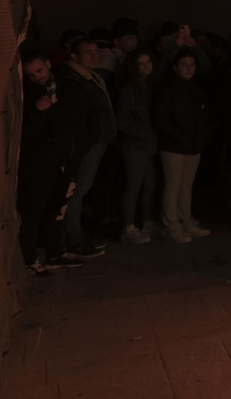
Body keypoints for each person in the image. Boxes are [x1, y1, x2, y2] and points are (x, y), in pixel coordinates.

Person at [17, 54, 84, 274]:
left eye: (39, 71)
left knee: (57, 209)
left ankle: (55, 252)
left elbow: (77, 120)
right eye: (31, 75)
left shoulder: (66, 86)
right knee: (33, 212)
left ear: (47, 64)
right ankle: (30, 260)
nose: (37, 77)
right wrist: (38, 111)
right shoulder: (27, 95)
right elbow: (25, 133)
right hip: (40, 164)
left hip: (65, 159)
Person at [56, 37, 116, 257]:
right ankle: (73, 238)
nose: (94, 55)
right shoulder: (73, 80)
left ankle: (74, 235)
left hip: (96, 142)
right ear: (74, 56)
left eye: (95, 51)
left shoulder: (92, 77)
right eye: (88, 52)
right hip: (86, 145)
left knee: (82, 189)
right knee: (77, 190)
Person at [155, 48, 213, 242]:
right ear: (175, 67)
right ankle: (172, 225)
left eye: (192, 65)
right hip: (174, 145)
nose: (189, 69)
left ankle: (185, 221)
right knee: (173, 184)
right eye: (184, 65)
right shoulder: (168, 89)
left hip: (193, 144)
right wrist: (178, 136)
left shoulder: (195, 88)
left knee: (186, 186)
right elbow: (161, 118)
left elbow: (203, 117)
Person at [113, 48, 160, 243]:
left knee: (149, 184)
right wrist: (146, 134)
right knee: (134, 185)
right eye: (141, 63)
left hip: (145, 142)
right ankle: (129, 227)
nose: (146, 66)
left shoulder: (147, 85)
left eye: (148, 62)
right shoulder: (129, 89)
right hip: (134, 144)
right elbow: (122, 120)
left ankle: (146, 223)